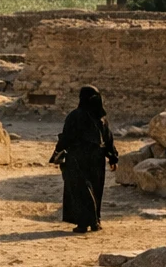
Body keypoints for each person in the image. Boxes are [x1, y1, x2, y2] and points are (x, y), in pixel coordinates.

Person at [51, 85, 119, 233]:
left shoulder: (75, 116)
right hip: (97, 158)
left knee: (79, 189)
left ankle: (83, 223)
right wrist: (113, 158)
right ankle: (95, 221)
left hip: (78, 157)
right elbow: (108, 140)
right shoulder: (101, 119)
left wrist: (57, 152)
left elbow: (67, 137)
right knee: (95, 189)